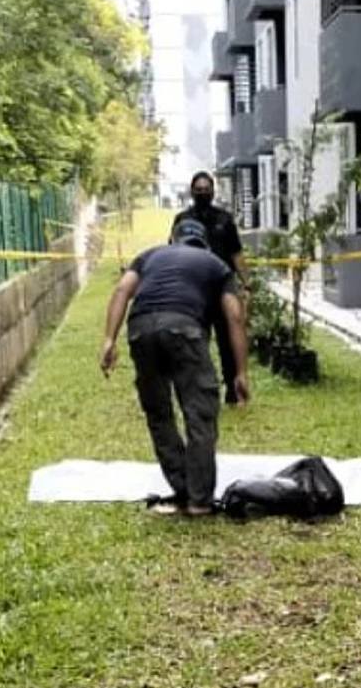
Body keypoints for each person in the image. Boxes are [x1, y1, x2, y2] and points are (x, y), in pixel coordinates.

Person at [100, 218, 250, 517]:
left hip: (140, 329)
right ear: (204, 243)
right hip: (186, 329)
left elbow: (122, 290)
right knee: (200, 414)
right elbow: (234, 316)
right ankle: (198, 501)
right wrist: (241, 372)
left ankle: (183, 488)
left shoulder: (150, 255)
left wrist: (108, 340)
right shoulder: (216, 265)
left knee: (158, 413)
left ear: (172, 239)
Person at [169, 172, 250, 405]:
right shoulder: (182, 220)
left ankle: (233, 391)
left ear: (213, 191)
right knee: (196, 342)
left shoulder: (224, 219)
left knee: (228, 341)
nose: (203, 192)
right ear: (191, 191)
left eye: (207, 188)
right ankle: (200, 390)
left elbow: (236, 254)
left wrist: (247, 283)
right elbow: (173, 251)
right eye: (198, 189)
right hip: (194, 291)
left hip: (223, 288)